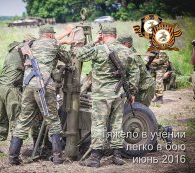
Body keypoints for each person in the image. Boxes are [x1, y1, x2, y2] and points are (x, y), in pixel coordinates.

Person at [74, 25, 139, 167]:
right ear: (115, 35)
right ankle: (117, 156)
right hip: (118, 94)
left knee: (99, 124)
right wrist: (132, 92)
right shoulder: (126, 50)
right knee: (116, 124)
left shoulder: (98, 49)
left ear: (102, 35)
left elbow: (79, 54)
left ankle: (95, 158)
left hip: (101, 95)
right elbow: (134, 72)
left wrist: (94, 42)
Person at [8, 25, 70, 165]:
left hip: (28, 85)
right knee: (53, 120)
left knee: (24, 120)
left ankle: (13, 157)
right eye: (52, 34)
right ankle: (58, 158)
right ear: (49, 35)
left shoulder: (31, 44)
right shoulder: (54, 43)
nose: (54, 36)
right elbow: (67, 58)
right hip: (44, 86)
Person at [0, 35, 35, 155]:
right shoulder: (24, 49)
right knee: (16, 118)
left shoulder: (13, 51)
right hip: (11, 89)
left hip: (0, 87)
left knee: (2, 117)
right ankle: (13, 152)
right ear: (29, 42)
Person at [117, 34, 155, 107]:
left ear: (126, 44)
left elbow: (135, 74)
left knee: (140, 112)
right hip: (141, 87)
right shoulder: (129, 52)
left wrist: (132, 93)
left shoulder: (132, 55)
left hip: (145, 88)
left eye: (120, 44)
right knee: (134, 110)